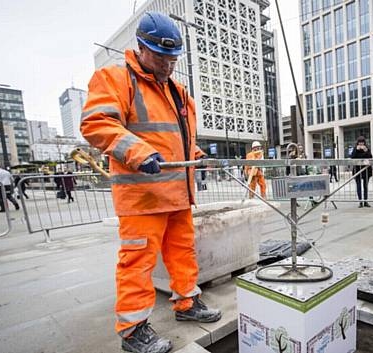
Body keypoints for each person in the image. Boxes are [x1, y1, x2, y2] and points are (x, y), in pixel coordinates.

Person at [80, 12, 221, 353]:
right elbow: (96, 123)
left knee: (183, 253)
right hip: (142, 196)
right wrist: (138, 152)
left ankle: (187, 303)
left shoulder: (178, 91)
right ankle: (132, 331)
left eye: (172, 59)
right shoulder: (115, 78)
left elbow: (180, 136)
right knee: (137, 262)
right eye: (160, 57)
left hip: (177, 193)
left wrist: (197, 154)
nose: (167, 66)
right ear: (141, 48)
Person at [350, 136, 373, 208]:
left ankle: (365, 201)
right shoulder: (355, 148)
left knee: (365, 186)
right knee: (358, 186)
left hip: (366, 170)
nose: (361, 144)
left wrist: (366, 150)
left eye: (362, 142)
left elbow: (370, 157)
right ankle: (360, 201)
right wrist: (356, 150)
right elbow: (352, 157)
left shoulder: (367, 148)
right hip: (357, 170)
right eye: (359, 142)